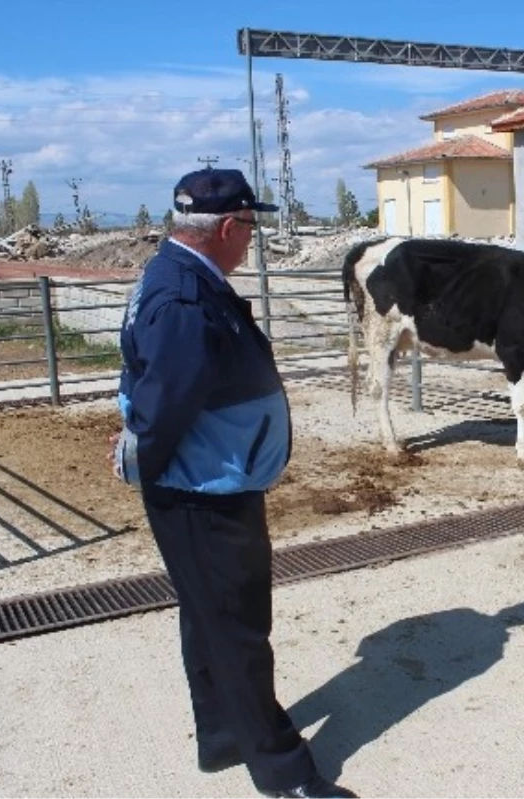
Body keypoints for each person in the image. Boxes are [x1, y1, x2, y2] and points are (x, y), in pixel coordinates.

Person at [110, 167, 359, 799]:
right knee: (239, 630)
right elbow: (161, 408)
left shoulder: (180, 277)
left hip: (203, 485)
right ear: (226, 227)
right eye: (250, 225)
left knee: (207, 618)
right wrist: (155, 472)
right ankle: (284, 773)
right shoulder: (186, 301)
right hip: (203, 493)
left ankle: (223, 738)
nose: (253, 238)